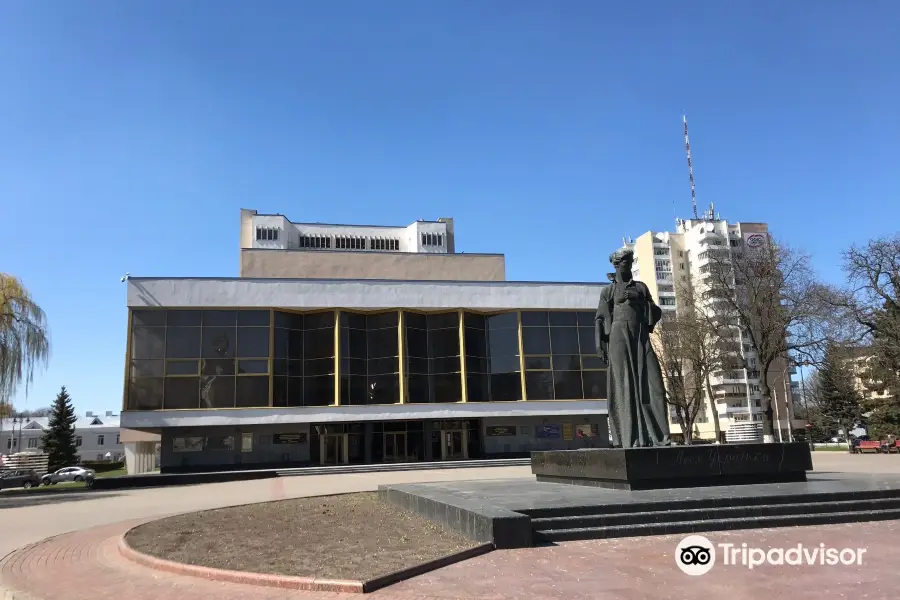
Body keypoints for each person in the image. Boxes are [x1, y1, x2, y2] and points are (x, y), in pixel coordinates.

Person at [595, 248, 671, 448]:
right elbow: (601, 318)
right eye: (625, 261)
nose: (629, 265)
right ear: (617, 264)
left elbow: (654, 311)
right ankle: (631, 437)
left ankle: (658, 436)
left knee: (653, 383)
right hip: (618, 339)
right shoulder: (608, 291)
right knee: (624, 384)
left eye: (631, 261)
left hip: (640, 338)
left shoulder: (641, 287)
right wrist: (600, 345)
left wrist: (642, 303)